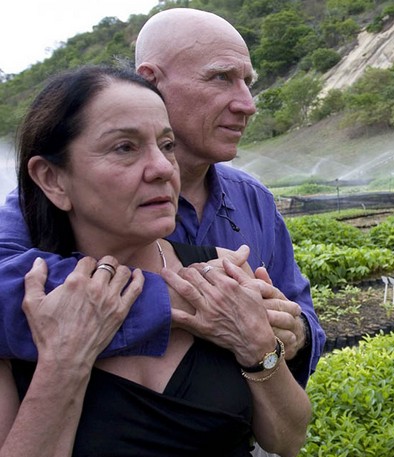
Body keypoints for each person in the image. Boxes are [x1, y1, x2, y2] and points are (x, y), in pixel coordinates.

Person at [0, 8, 324, 388]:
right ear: (150, 82)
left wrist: (295, 331)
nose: (247, 103)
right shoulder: (55, 198)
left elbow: (304, 316)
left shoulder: (254, 200)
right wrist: (187, 298)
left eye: (247, 82)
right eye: (221, 77)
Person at [0, 65, 311, 456]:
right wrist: (64, 366)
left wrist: (259, 349)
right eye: (124, 148)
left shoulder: (224, 272)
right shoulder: (24, 312)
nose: (164, 168)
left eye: (166, 146)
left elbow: (288, 439)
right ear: (52, 179)